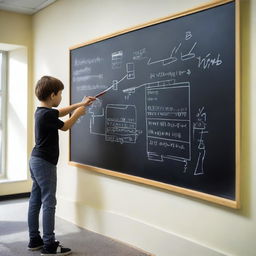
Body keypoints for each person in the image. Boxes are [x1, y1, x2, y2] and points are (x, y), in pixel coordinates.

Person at [27, 76, 95, 255]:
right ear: (52, 95)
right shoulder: (47, 114)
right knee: (49, 201)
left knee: (35, 200)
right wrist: (78, 114)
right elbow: (65, 126)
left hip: (35, 160)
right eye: (60, 94)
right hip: (45, 163)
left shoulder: (41, 111)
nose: (61, 97)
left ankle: (34, 239)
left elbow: (60, 112)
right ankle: (49, 244)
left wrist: (78, 105)